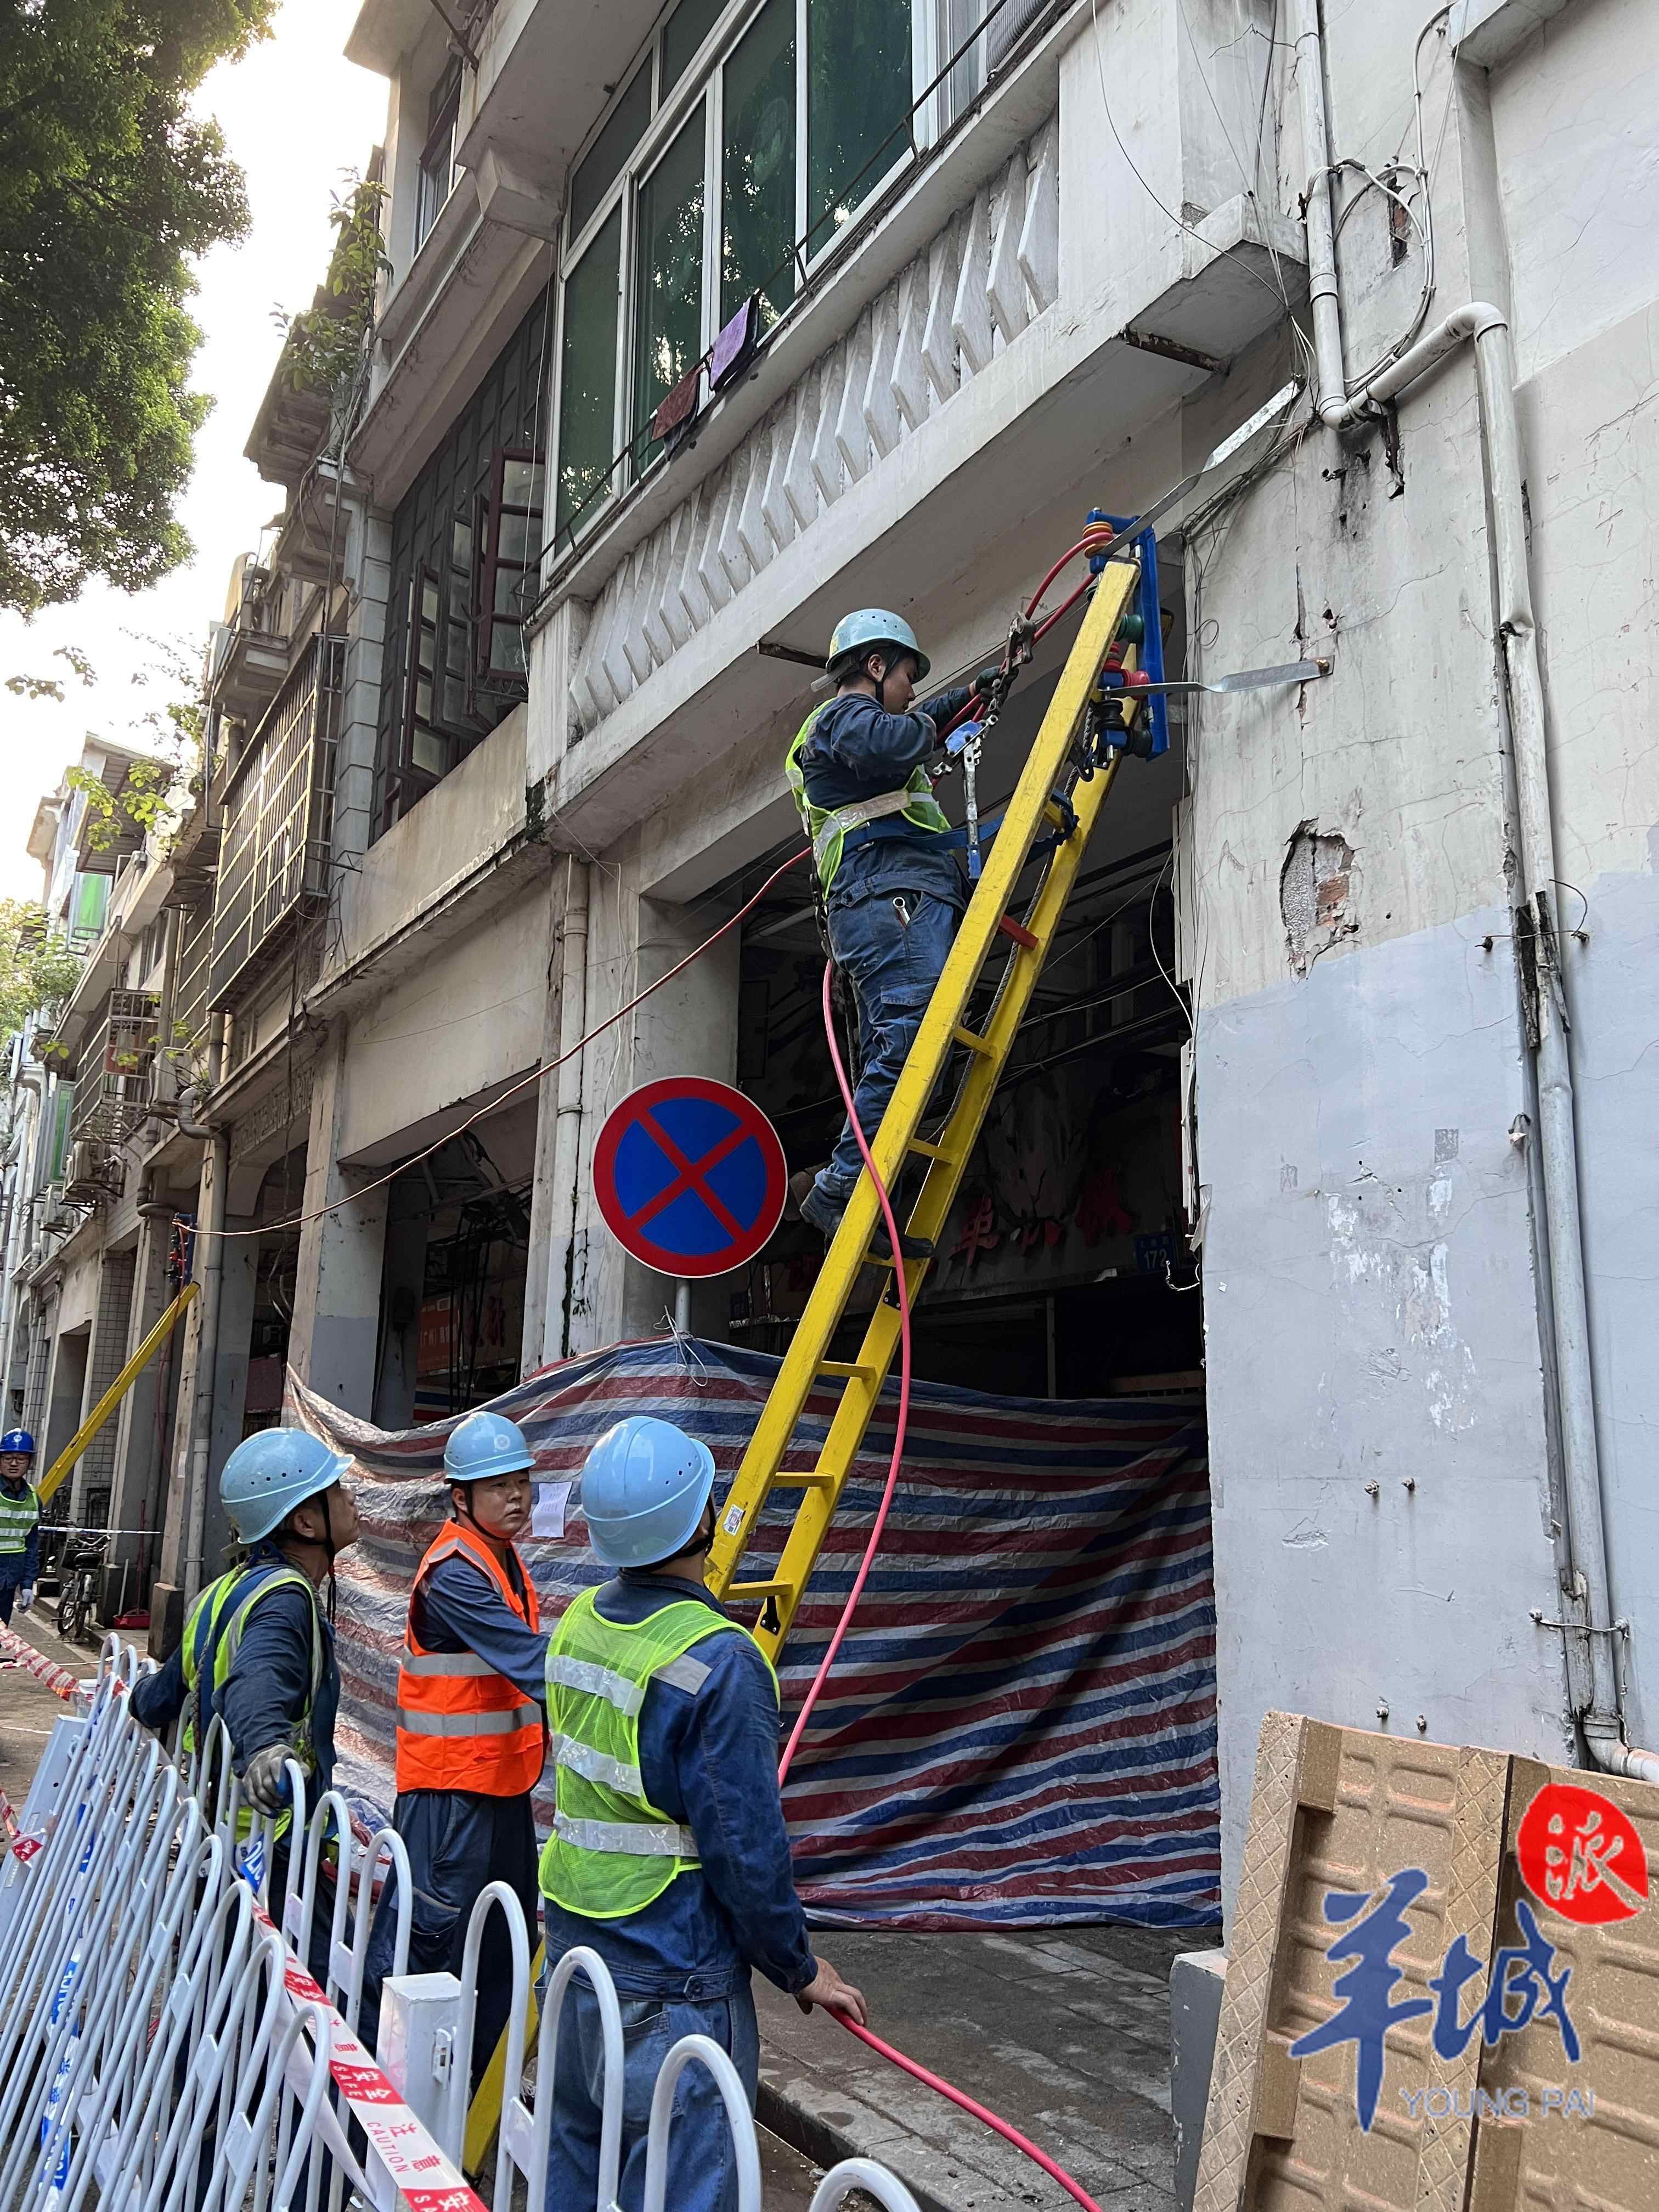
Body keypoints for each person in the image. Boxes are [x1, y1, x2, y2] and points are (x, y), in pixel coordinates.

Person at [540, 1415, 867, 2212]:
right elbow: (746, 1852)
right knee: (686, 2185)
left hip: (577, 1950)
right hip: (673, 1972)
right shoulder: (721, 1661)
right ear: (703, 1520)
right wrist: (797, 1966)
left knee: (577, 2166)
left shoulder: (578, 1621)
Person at [786, 610, 998, 1251]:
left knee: (912, 1053)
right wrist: (937, 719)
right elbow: (896, 738)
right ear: (874, 666)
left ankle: (863, 1205)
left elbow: (906, 730)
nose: (911, 692)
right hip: (886, 894)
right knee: (910, 1037)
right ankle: (839, 1189)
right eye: (907, 676)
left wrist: (971, 694)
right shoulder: (843, 719)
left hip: (895, 895)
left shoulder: (866, 727)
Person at [362, 1408, 549, 2080]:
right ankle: (379, 2111)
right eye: (499, 1486)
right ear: (461, 1498)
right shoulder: (456, 1574)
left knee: (502, 1951)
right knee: (427, 1958)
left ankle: (462, 2109)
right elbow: (531, 1663)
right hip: (448, 1803)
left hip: (500, 1792)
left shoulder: (502, 1558)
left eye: (522, 1482)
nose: (517, 1496)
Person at [131, 1428, 359, 1912]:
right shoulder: (284, 1601)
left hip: (218, 1829)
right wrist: (265, 1748)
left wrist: (134, 1696)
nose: (351, 1497)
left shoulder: (223, 1591)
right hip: (271, 1842)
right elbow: (256, 1680)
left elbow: (166, 1693)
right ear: (306, 1523)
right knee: (296, 1959)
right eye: (337, 1489)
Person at [0, 1429, 41, 1627]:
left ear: (30, 1462)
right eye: (8, 1458)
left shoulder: (33, 1498)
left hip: (8, 1583)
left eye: (21, 1458)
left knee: (2, 1634)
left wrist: (27, 1585)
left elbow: (31, 1544)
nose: (14, 1463)